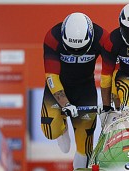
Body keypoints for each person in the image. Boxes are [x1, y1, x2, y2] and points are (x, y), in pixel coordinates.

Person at [41, 12, 108, 169]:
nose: (76, 53)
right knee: (50, 130)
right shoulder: (52, 37)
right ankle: (62, 127)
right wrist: (64, 103)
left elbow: (111, 72)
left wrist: (107, 102)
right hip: (59, 86)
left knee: (84, 145)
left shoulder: (102, 37)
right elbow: (51, 77)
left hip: (85, 89)